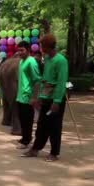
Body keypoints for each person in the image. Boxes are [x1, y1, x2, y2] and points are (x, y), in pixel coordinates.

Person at [21, 34, 69, 162]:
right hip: (46, 97)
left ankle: (54, 153)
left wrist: (57, 101)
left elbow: (61, 82)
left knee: (54, 126)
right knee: (42, 124)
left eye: (42, 46)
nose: (40, 48)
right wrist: (39, 97)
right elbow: (45, 79)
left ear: (48, 46)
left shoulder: (61, 61)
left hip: (55, 99)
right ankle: (35, 149)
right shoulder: (47, 59)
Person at [15, 41, 41, 150]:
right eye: (19, 50)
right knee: (22, 118)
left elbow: (37, 80)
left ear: (28, 50)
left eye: (22, 50)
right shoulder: (21, 62)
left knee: (27, 120)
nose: (20, 52)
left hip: (28, 96)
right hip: (20, 96)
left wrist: (34, 97)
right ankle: (24, 137)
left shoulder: (32, 62)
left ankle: (27, 140)